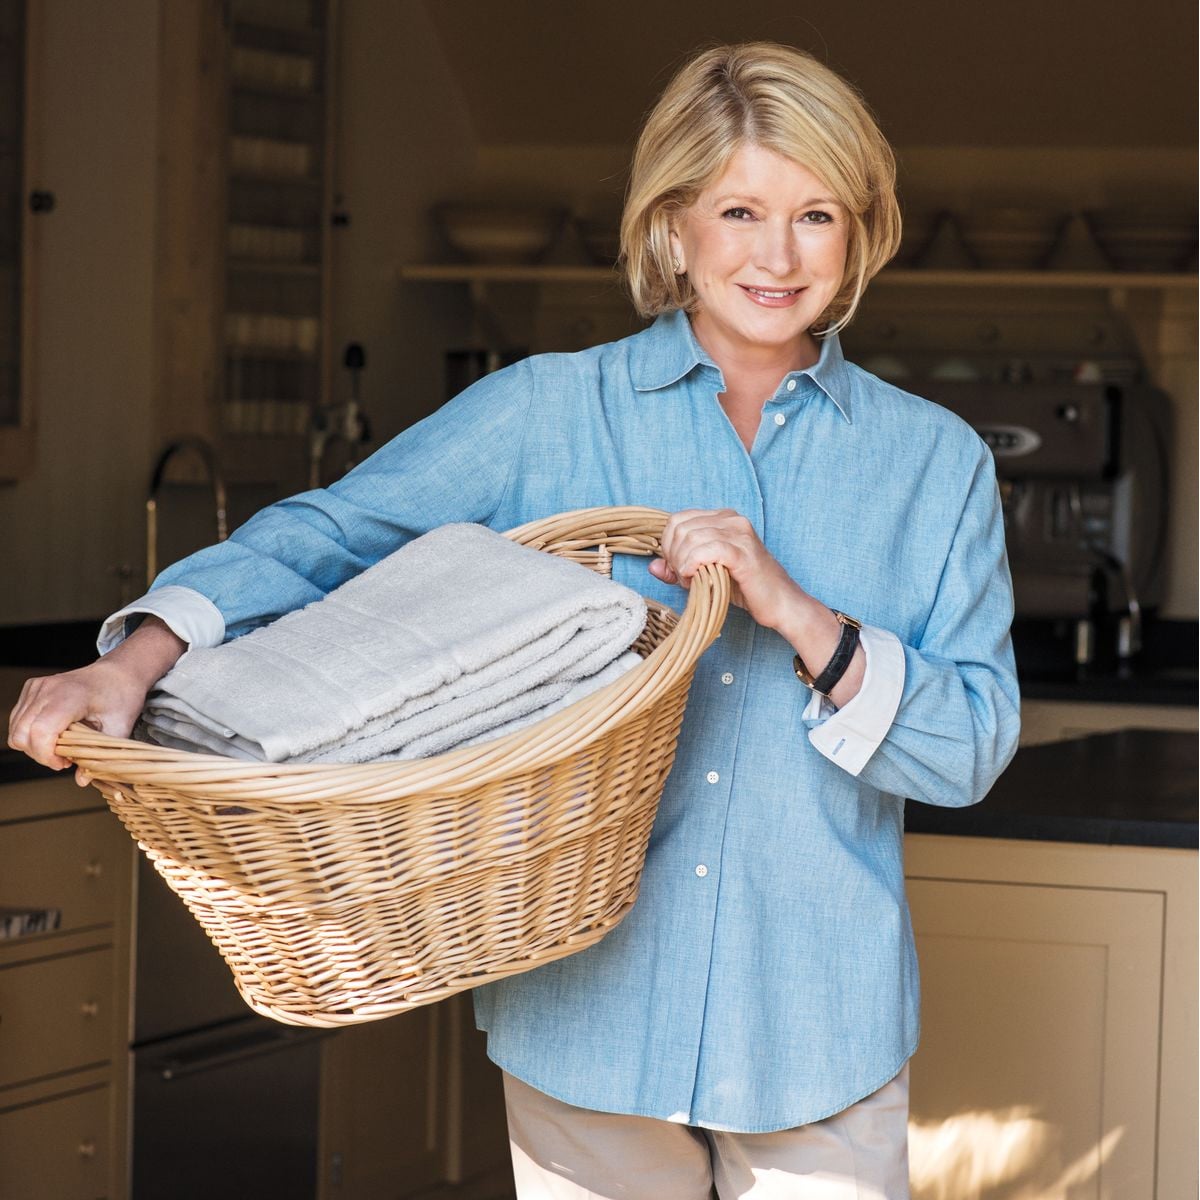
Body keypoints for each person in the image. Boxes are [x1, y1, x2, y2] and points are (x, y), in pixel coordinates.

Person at [9, 41, 1019, 1200]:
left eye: (817, 215)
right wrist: (136, 659)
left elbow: (971, 749)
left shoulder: (932, 463)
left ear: (860, 232)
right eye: (740, 209)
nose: (778, 256)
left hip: (820, 1030)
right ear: (675, 221)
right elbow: (330, 535)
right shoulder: (546, 410)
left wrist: (797, 614)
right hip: (584, 1015)